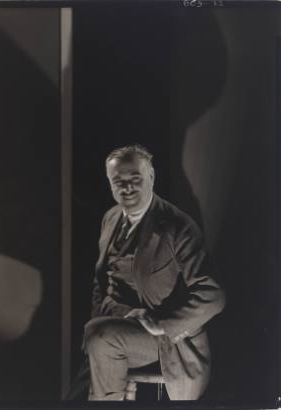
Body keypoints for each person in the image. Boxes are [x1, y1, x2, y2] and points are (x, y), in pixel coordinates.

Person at [83, 145, 225, 401]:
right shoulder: (111, 218)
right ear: (110, 183)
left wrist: (163, 325)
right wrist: (102, 312)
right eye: (118, 181)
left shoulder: (177, 226)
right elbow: (101, 279)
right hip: (120, 321)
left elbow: (213, 295)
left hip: (165, 338)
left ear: (151, 178)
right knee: (97, 333)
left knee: (100, 339)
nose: (126, 188)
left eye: (135, 180)